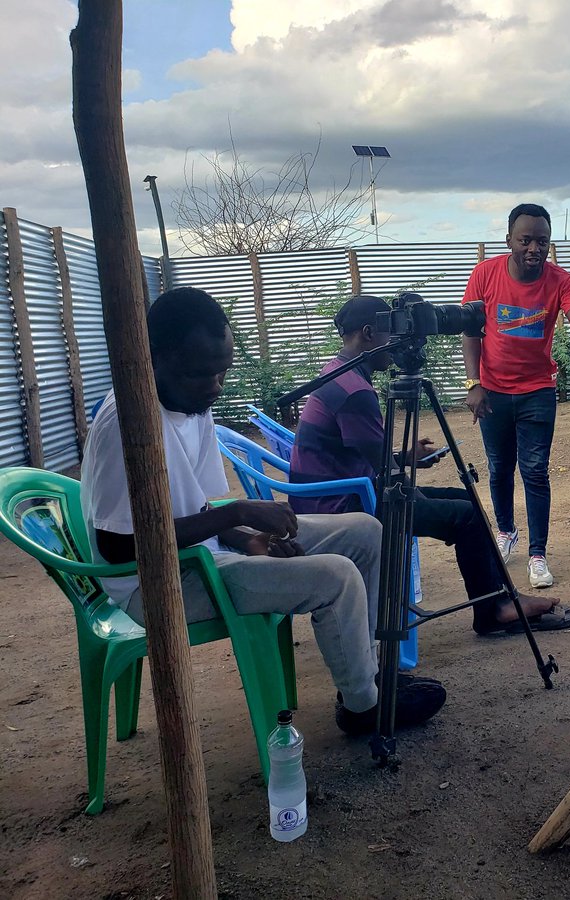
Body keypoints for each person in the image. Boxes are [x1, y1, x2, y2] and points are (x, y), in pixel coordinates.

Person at [80, 287, 446, 738]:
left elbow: (204, 506)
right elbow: (119, 546)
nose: (215, 386)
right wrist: (236, 516)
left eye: (223, 372)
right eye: (201, 374)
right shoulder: (127, 422)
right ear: (154, 356)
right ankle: (362, 708)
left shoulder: (191, 405)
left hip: (206, 554)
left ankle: (366, 674)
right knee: (336, 575)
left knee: (365, 532)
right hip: (158, 583)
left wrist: (249, 539)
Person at [288, 294, 570, 635]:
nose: (396, 342)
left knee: (463, 499)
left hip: (349, 490)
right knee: (466, 516)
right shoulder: (354, 390)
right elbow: (383, 467)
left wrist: (405, 457)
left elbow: (371, 456)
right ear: (368, 333)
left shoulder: (337, 372)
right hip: (345, 506)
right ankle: (495, 611)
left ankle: (500, 601)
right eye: (389, 332)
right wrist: (407, 476)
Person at [461, 203, 570, 589]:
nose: (533, 248)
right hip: (493, 391)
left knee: (534, 472)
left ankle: (537, 554)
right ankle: (506, 531)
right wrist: (473, 384)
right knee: (498, 468)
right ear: (509, 240)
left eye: (542, 241)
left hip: (537, 392)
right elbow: (470, 331)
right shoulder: (485, 274)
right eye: (525, 240)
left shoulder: (562, 281)